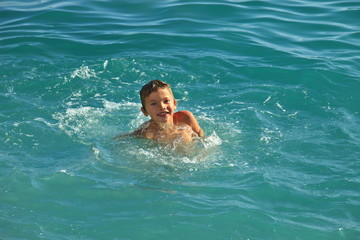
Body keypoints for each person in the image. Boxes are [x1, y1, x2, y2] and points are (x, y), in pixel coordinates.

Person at [132, 79, 203, 144]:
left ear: (174, 104)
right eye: (153, 103)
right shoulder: (147, 131)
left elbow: (202, 139)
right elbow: (128, 138)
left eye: (166, 101)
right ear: (144, 111)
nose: (162, 106)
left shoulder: (186, 118)